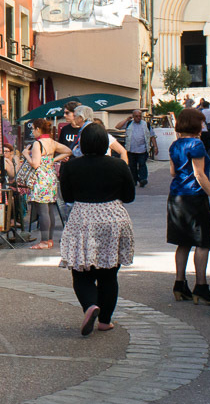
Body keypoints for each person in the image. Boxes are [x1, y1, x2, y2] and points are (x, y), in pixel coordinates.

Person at [58, 123, 136, 335]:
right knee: (109, 273)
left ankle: (90, 304)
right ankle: (105, 320)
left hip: (83, 218)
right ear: (105, 143)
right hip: (113, 218)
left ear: (81, 144)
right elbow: (129, 196)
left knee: (81, 270)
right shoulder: (119, 165)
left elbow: (68, 197)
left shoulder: (71, 166)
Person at [166, 106, 210, 305]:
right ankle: (201, 286)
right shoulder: (196, 145)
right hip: (194, 196)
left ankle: (180, 284)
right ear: (195, 124)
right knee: (202, 242)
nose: (203, 125)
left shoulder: (175, 144)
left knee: (183, 242)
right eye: (201, 122)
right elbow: (200, 175)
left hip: (176, 195)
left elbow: (173, 172)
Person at [26, 118, 71, 250]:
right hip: (50, 178)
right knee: (50, 209)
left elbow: (35, 164)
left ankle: (44, 241)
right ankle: (49, 240)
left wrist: (26, 154)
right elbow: (68, 150)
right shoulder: (52, 142)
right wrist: (53, 159)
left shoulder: (37, 144)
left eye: (33, 129)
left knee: (43, 211)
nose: (32, 132)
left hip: (40, 179)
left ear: (38, 129)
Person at [117, 110, 154, 189]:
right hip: (131, 149)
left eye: (140, 116)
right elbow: (118, 127)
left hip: (142, 149)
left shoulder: (146, 124)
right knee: (132, 166)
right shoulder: (129, 124)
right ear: (133, 117)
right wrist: (127, 119)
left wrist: (155, 146)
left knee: (142, 164)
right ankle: (134, 180)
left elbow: (152, 135)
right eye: (136, 116)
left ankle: (143, 179)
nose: (138, 118)